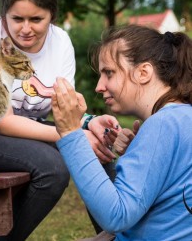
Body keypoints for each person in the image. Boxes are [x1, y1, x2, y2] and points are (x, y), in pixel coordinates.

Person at [0, 0, 119, 240]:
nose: (25, 28)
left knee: (98, 145)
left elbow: (61, 106)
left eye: (36, 19)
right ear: (5, 13)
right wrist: (72, 136)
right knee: (53, 168)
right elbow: (3, 122)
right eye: (17, 19)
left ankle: (115, 235)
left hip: (30, 132)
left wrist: (86, 123)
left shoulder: (60, 41)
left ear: (52, 15)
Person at [51, 24, 192, 240]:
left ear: (143, 73)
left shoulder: (164, 124)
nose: (99, 86)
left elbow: (116, 216)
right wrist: (137, 156)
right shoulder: (182, 117)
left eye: (109, 73)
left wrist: (71, 132)